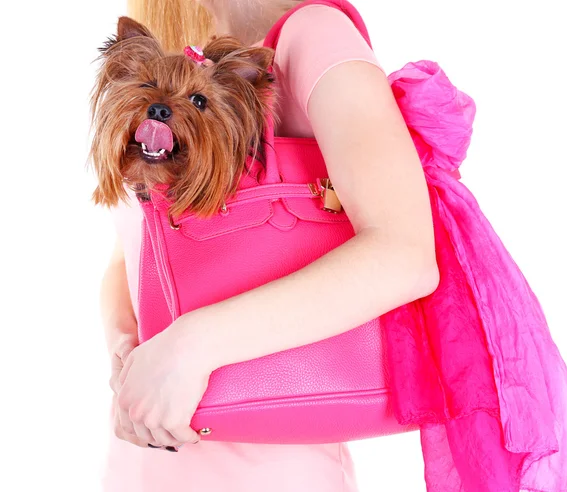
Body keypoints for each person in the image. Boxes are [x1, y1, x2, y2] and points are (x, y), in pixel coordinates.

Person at [100, 0, 440, 490]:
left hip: (268, 471)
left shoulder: (314, 34)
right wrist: (126, 353)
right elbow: (125, 256)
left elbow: (405, 255)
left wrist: (188, 346)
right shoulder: (171, 67)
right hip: (140, 458)